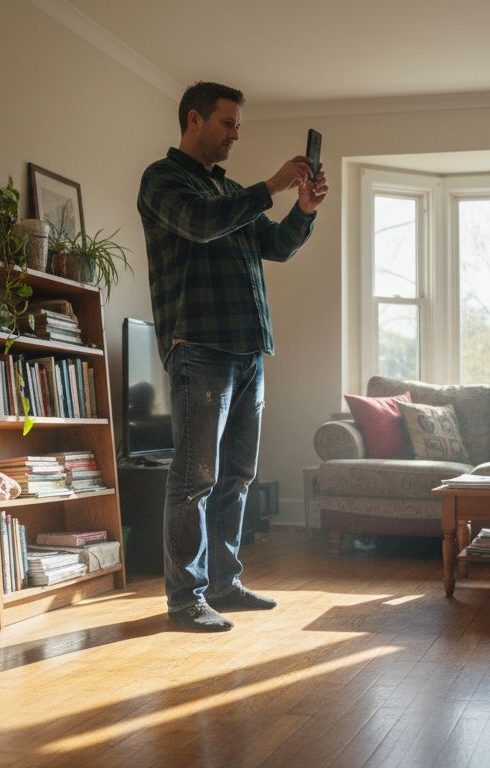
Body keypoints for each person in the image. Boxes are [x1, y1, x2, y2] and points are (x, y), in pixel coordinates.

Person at [137, 81, 328, 631]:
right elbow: (199, 224)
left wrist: (304, 210)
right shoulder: (163, 180)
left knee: (236, 477)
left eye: (238, 124)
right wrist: (270, 186)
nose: (236, 133)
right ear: (194, 120)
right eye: (228, 123)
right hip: (199, 345)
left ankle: (224, 583)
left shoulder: (232, 190)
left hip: (248, 351)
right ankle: (185, 599)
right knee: (194, 477)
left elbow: (277, 246)